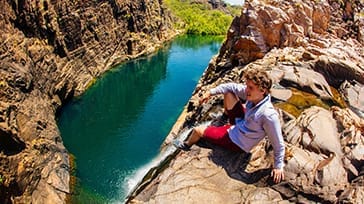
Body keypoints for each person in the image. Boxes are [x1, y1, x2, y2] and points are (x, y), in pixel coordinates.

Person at [173, 68, 285, 183]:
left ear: (263, 90)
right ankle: (224, 117)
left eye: (251, 88)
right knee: (229, 93)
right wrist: (210, 92)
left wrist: (278, 166)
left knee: (197, 131)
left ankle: (186, 145)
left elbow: (278, 142)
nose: (247, 90)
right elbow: (229, 86)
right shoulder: (254, 96)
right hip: (241, 124)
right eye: (247, 86)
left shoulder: (268, 115)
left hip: (237, 141)